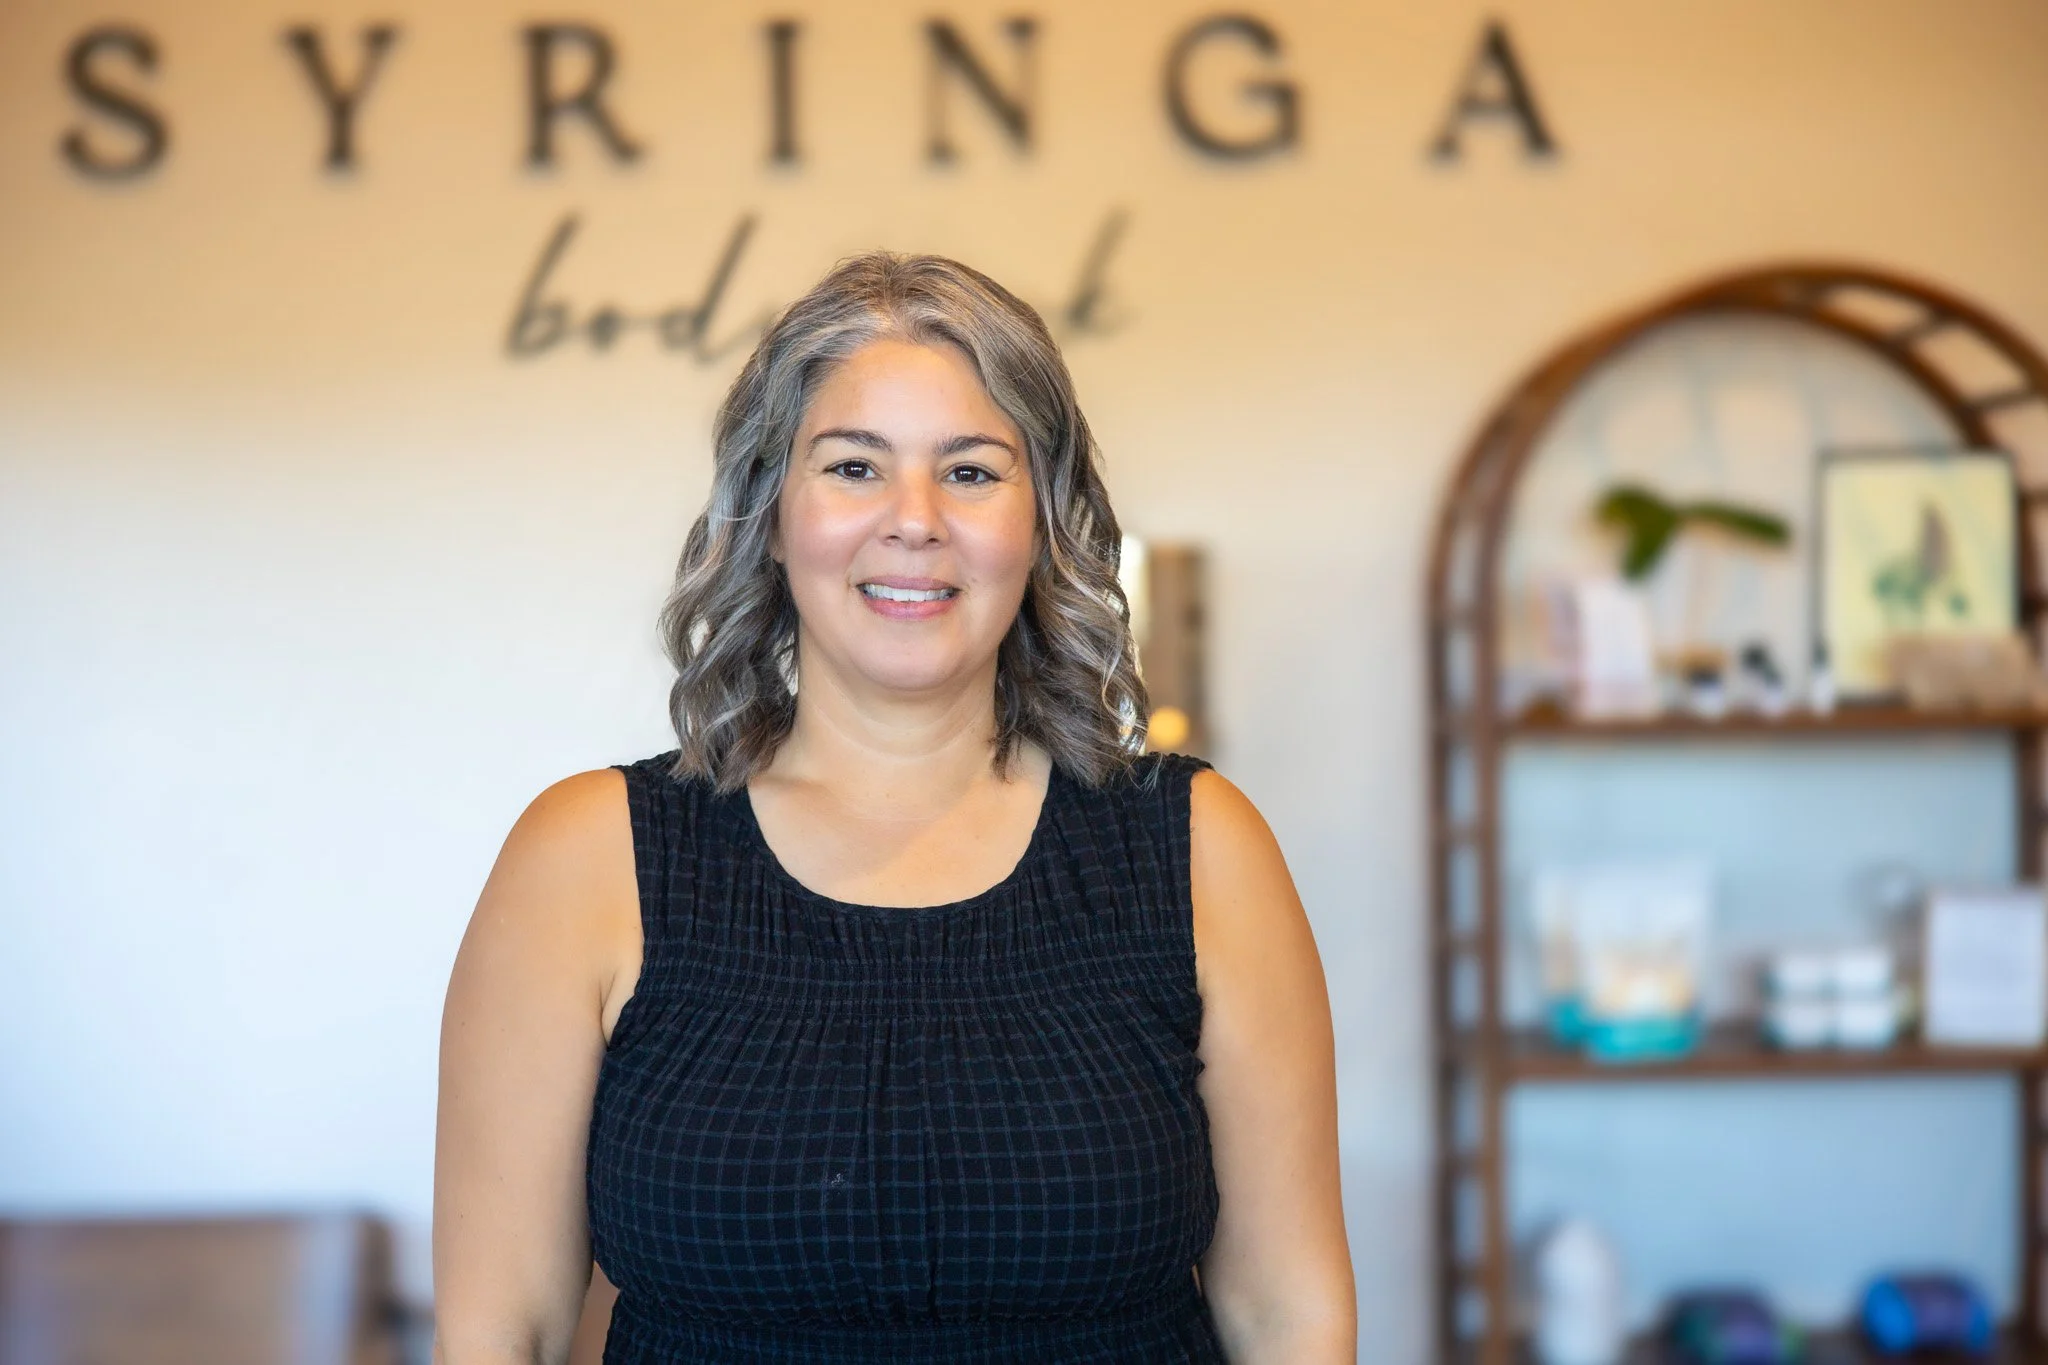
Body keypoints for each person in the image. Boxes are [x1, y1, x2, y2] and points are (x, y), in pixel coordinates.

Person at [432, 253, 1354, 1363]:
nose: (913, 522)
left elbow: (1285, 1312)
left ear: (1043, 523)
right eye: (854, 467)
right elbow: (501, 1331)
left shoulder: (1198, 848)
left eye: (970, 473)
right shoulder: (587, 860)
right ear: (770, 513)